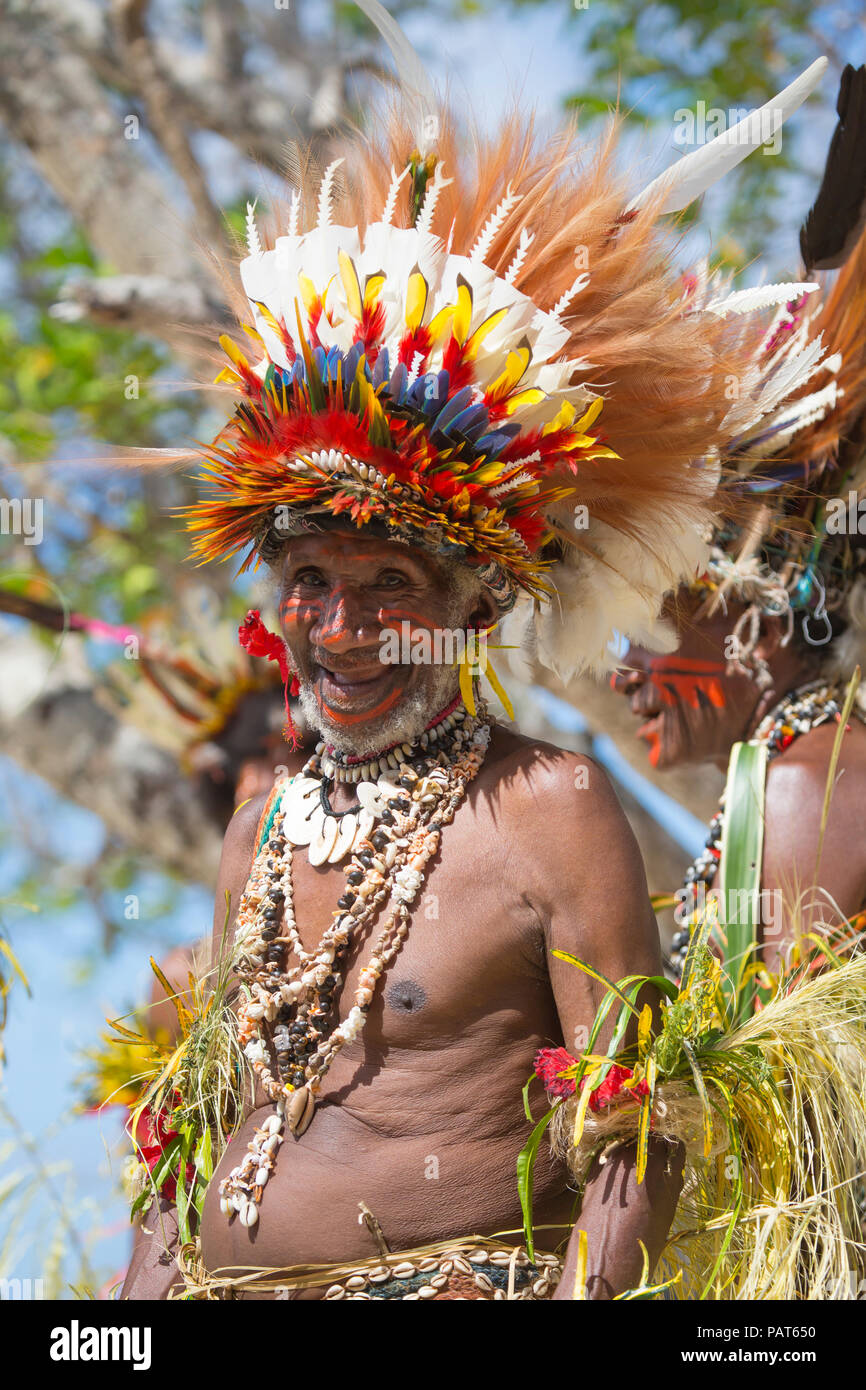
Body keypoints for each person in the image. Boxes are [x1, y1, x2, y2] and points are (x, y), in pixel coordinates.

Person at [117, 1, 829, 1301]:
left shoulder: (545, 809)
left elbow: (635, 1128)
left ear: (479, 603)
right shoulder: (258, 820)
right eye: (310, 582)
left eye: (387, 586)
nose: (339, 630)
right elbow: (193, 1123)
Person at [613, 66, 866, 976]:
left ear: (756, 621)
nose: (623, 672)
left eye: (648, 627)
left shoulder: (811, 778)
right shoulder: (794, 769)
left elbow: (789, 1110)